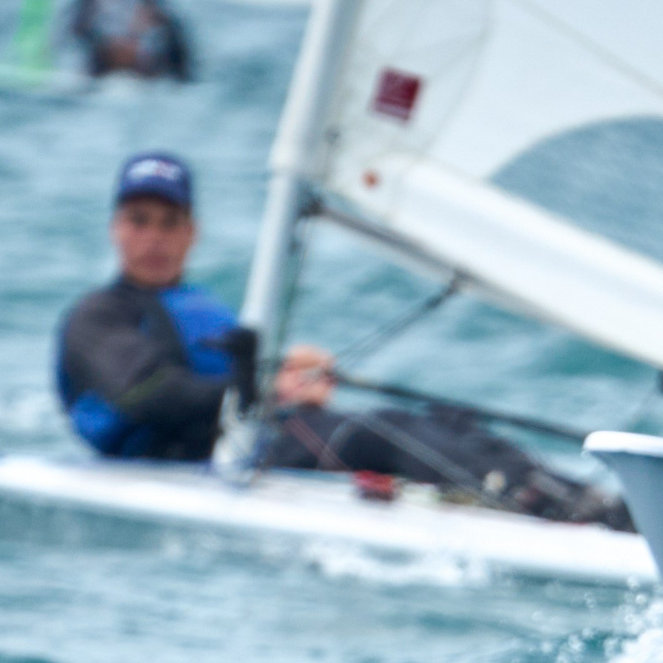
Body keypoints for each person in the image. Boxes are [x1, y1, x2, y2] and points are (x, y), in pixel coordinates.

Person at [55, 153, 625, 525]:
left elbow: (234, 381)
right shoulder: (97, 316)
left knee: (444, 423)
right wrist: (269, 387)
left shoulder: (200, 305)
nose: (154, 237)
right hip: (186, 463)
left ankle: (585, 500)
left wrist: (285, 375)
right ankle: (553, 508)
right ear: (116, 228)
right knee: (378, 431)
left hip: (254, 446)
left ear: (192, 232)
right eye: (139, 220)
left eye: (169, 222)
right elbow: (146, 393)